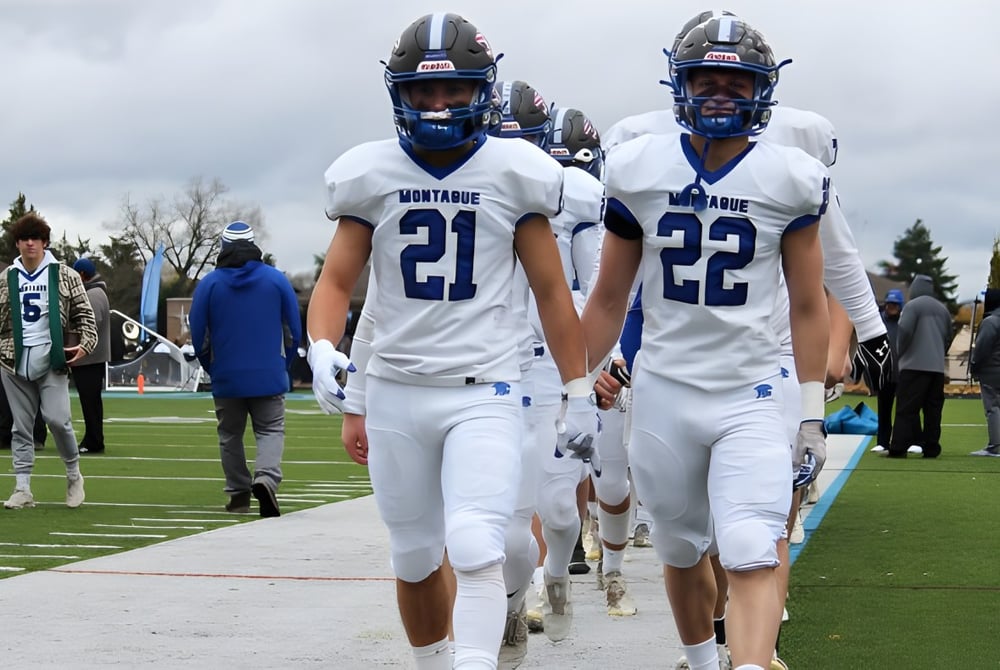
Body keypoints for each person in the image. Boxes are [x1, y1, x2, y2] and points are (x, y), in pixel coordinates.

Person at [309, 12, 596, 669]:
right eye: (423, 92)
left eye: (453, 91)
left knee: (475, 544)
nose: (438, 106)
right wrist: (323, 348)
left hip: (486, 389)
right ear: (398, 94)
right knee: (412, 555)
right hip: (395, 392)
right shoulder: (370, 173)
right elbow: (335, 285)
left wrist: (577, 389)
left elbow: (553, 296)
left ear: (481, 90)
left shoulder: (514, 171)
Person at [583, 15, 830, 670]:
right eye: (706, 78)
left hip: (751, 389)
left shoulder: (791, 176)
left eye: (735, 80)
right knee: (681, 548)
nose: (720, 92)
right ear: (680, 84)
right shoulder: (639, 169)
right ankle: (700, 661)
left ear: (762, 90)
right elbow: (610, 296)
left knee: (751, 541)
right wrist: (577, 383)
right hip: (663, 389)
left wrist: (811, 412)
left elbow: (808, 305)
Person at [189, 221, 301, 517]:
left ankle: (238, 494)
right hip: (269, 371)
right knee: (270, 429)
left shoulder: (209, 284)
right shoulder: (276, 280)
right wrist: (284, 363)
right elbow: (294, 329)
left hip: (226, 374)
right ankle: (265, 478)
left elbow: (198, 334)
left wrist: (210, 366)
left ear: (223, 247)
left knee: (230, 434)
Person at [0, 213, 96, 509]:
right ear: (17, 243)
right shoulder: (6, 278)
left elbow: (85, 314)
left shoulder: (63, 274)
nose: (30, 243)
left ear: (45, 242)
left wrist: (85, 345)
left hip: (51, 358)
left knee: (58, 420)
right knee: (21, 427)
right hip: (13, 360)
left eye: (36, 238)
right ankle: (23, 487)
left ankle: (73, 475)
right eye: (25, 238)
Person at [887, 274, 953, 459]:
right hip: (937, 368)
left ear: (914, 289)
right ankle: (932, 447)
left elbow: (905, 331)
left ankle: (898, 447)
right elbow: (949, 336)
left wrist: (902, 353)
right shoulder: (943, 310)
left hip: (913, 366)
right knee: (933, 409)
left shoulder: (912, 306)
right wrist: (939, 352)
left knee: (906, 408)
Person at [71, 257, 111, 454]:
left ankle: (94, 440)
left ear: (82, 275)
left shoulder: (93, 294)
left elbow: (90, 324)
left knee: (90, 401)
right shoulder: (97, 291)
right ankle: (93, 438)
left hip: (89, 358)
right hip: (92, 357)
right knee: (91, 401)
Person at [871, 289, 904, 452]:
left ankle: (905, 441)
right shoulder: (878, 321)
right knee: (884, 409)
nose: (891, 307)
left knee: (904, 409)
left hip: (902, 372)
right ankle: (882, 442)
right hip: (884, 372)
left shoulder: (905, 322)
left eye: (895, 304)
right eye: (889, 304)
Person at [969, 288, 1000, 456]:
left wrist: (974, 366)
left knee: (993, 408)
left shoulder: (991, 322)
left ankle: (994, 446)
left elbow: (981, 349)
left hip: (991, 371)